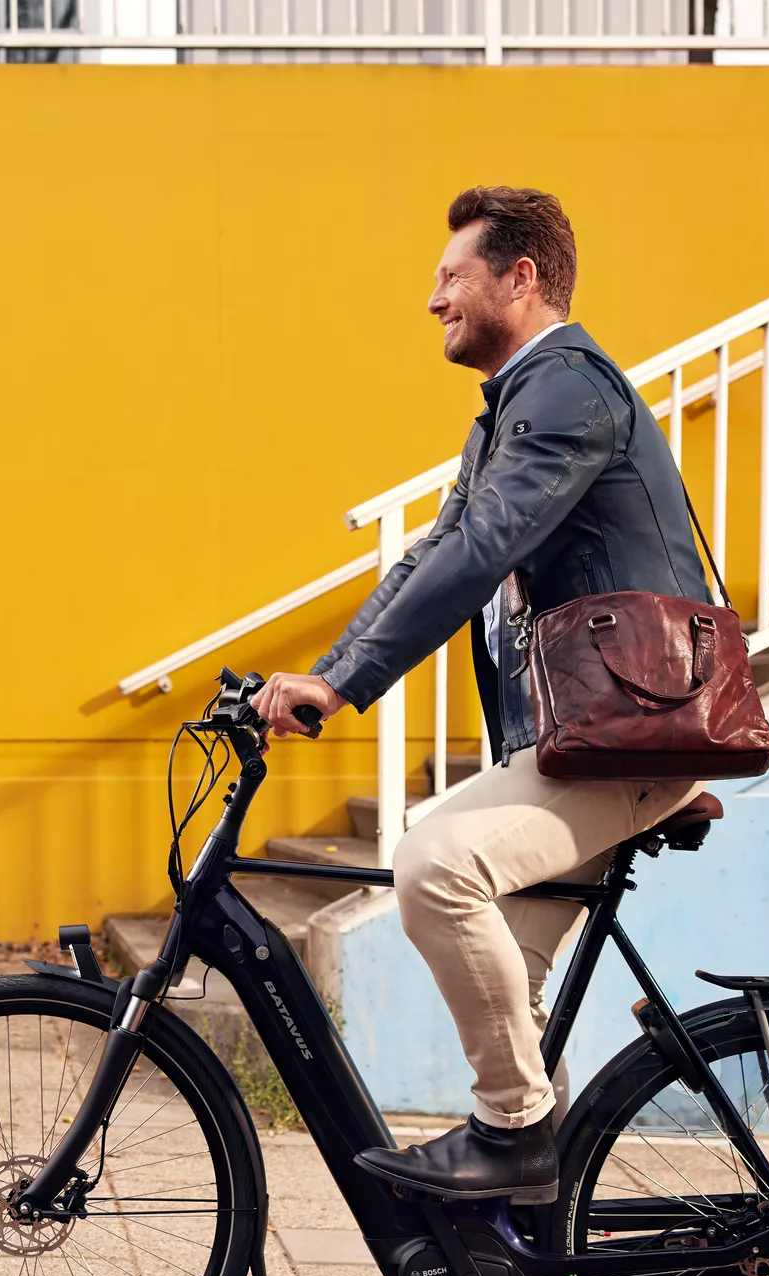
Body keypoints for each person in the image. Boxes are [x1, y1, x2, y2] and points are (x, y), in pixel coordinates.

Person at [250, 185, 714, 1206]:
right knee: (504, 965)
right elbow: (431, 553)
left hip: (637, 736)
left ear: (521, 276)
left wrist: (338, 684)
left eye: (448, 275)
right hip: (579, 742)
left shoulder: (568, 389)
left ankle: (514, 1137)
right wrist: (325, 669)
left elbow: (478, 547)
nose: (432, 300)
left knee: (432, 864)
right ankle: (515, 1250)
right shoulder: (509, 412)